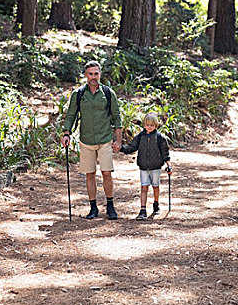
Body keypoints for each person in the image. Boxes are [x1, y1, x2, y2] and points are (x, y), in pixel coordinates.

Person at [60, 61, 122, 220]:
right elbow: (71, 115)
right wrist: (66, 133)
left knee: (106, 173)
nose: (93, 77)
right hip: (86, 140)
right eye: (90, 74)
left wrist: (118, 140)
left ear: (100, 74)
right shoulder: (79, 94)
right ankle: (93, 207)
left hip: (105, 139)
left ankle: (110, 206)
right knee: (90, 175)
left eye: (96, 73)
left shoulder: (108, 93)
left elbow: (116, 117)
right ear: (86, 75)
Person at [120, 112, 171, 220]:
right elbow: (132, 147)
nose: (149, 127)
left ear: (156, 125)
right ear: (144, 125)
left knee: (155, 186)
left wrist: (168, 165)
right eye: (147, 125)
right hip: (143, 167)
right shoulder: (140, 137)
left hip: (156, 166)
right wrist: (121, 148)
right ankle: (143, 210)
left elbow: (165, 152)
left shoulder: (160, 137)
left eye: (152, 125)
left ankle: (156, 204)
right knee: (144, 187)